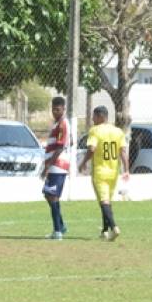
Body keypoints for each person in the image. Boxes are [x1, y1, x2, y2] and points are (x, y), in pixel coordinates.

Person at [78, 106, 129, 241]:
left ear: (101, 117)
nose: (92, 120)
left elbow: (92, 149)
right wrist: (127, 170)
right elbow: (123, 151)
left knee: (104, 201)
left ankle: (114, 227)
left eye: (94, 117)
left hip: (100, 172)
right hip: (114, 172)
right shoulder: (118, 131)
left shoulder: (95, 131)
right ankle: (105, 231)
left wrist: (83, 163)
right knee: (106, 201)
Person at [41, 96, 70, 240]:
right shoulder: (56, 123)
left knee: (52, 196)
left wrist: (49, 165)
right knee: (48, 194)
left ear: (63, 109)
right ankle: (61, 225)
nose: (55, 112)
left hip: (58, 165)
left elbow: (59, 147)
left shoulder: (63, 124)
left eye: (58, 109)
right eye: (53, 109)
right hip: (53, 166)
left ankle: (57, 231)